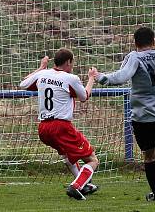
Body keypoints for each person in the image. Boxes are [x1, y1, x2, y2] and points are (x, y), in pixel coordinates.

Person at [96, 26, 155, 202]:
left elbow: (122, 77)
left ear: (135, 43)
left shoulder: (134, 57)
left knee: (149, 156)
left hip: (143, 116)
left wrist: (100, 77)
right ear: (154, 41)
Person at [19, 48, 100, 200]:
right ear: (68, 62)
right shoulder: (71, 78)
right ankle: (76, 186)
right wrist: (91, 78)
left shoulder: (43, 74)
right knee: (92, 159)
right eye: (72, 63)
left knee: (66, 155)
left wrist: (41, 68)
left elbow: (23, 84)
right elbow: (84, 96)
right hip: (61, 126)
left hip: (43, 128)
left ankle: (84, 185)